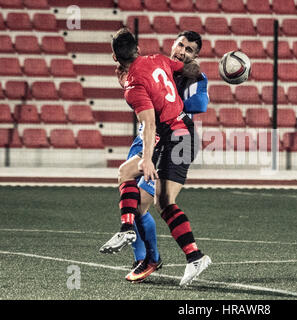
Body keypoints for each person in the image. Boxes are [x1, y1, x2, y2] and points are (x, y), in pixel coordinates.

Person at [99, 28, 211, 287]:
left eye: (189, 50)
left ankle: (159, 253)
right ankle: (176, 254)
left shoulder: (170, 73)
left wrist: (189, 79)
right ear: (172, 44)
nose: (182, 52)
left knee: (160, 200)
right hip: (161, 137)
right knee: (140, 191)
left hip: (175, 136)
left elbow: (199, 104)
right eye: (180, 45)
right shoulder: (159, 61)